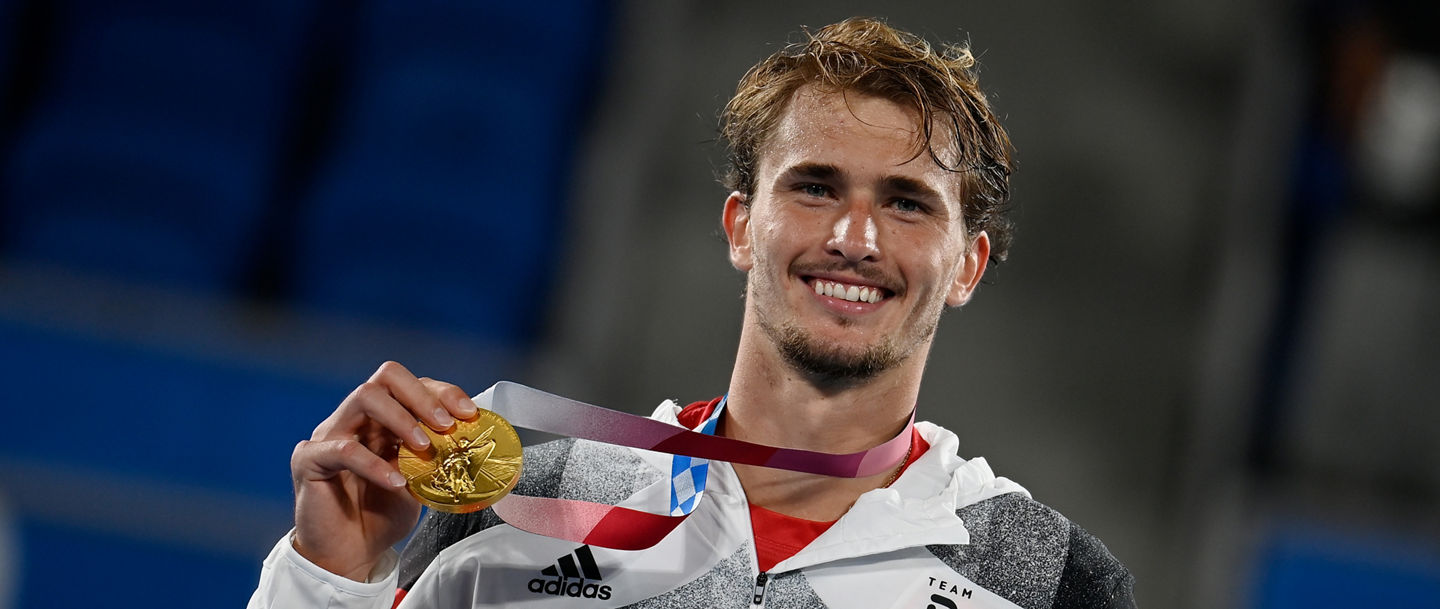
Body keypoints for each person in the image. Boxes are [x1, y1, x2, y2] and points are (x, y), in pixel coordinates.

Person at [250, 17, 1136, 609]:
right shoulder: (523, 493)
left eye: (908, 203)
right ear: (742, 225)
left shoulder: (1049, 578)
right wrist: (328, 573)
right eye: (816, 187)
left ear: (966, 264)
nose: (856, 236)